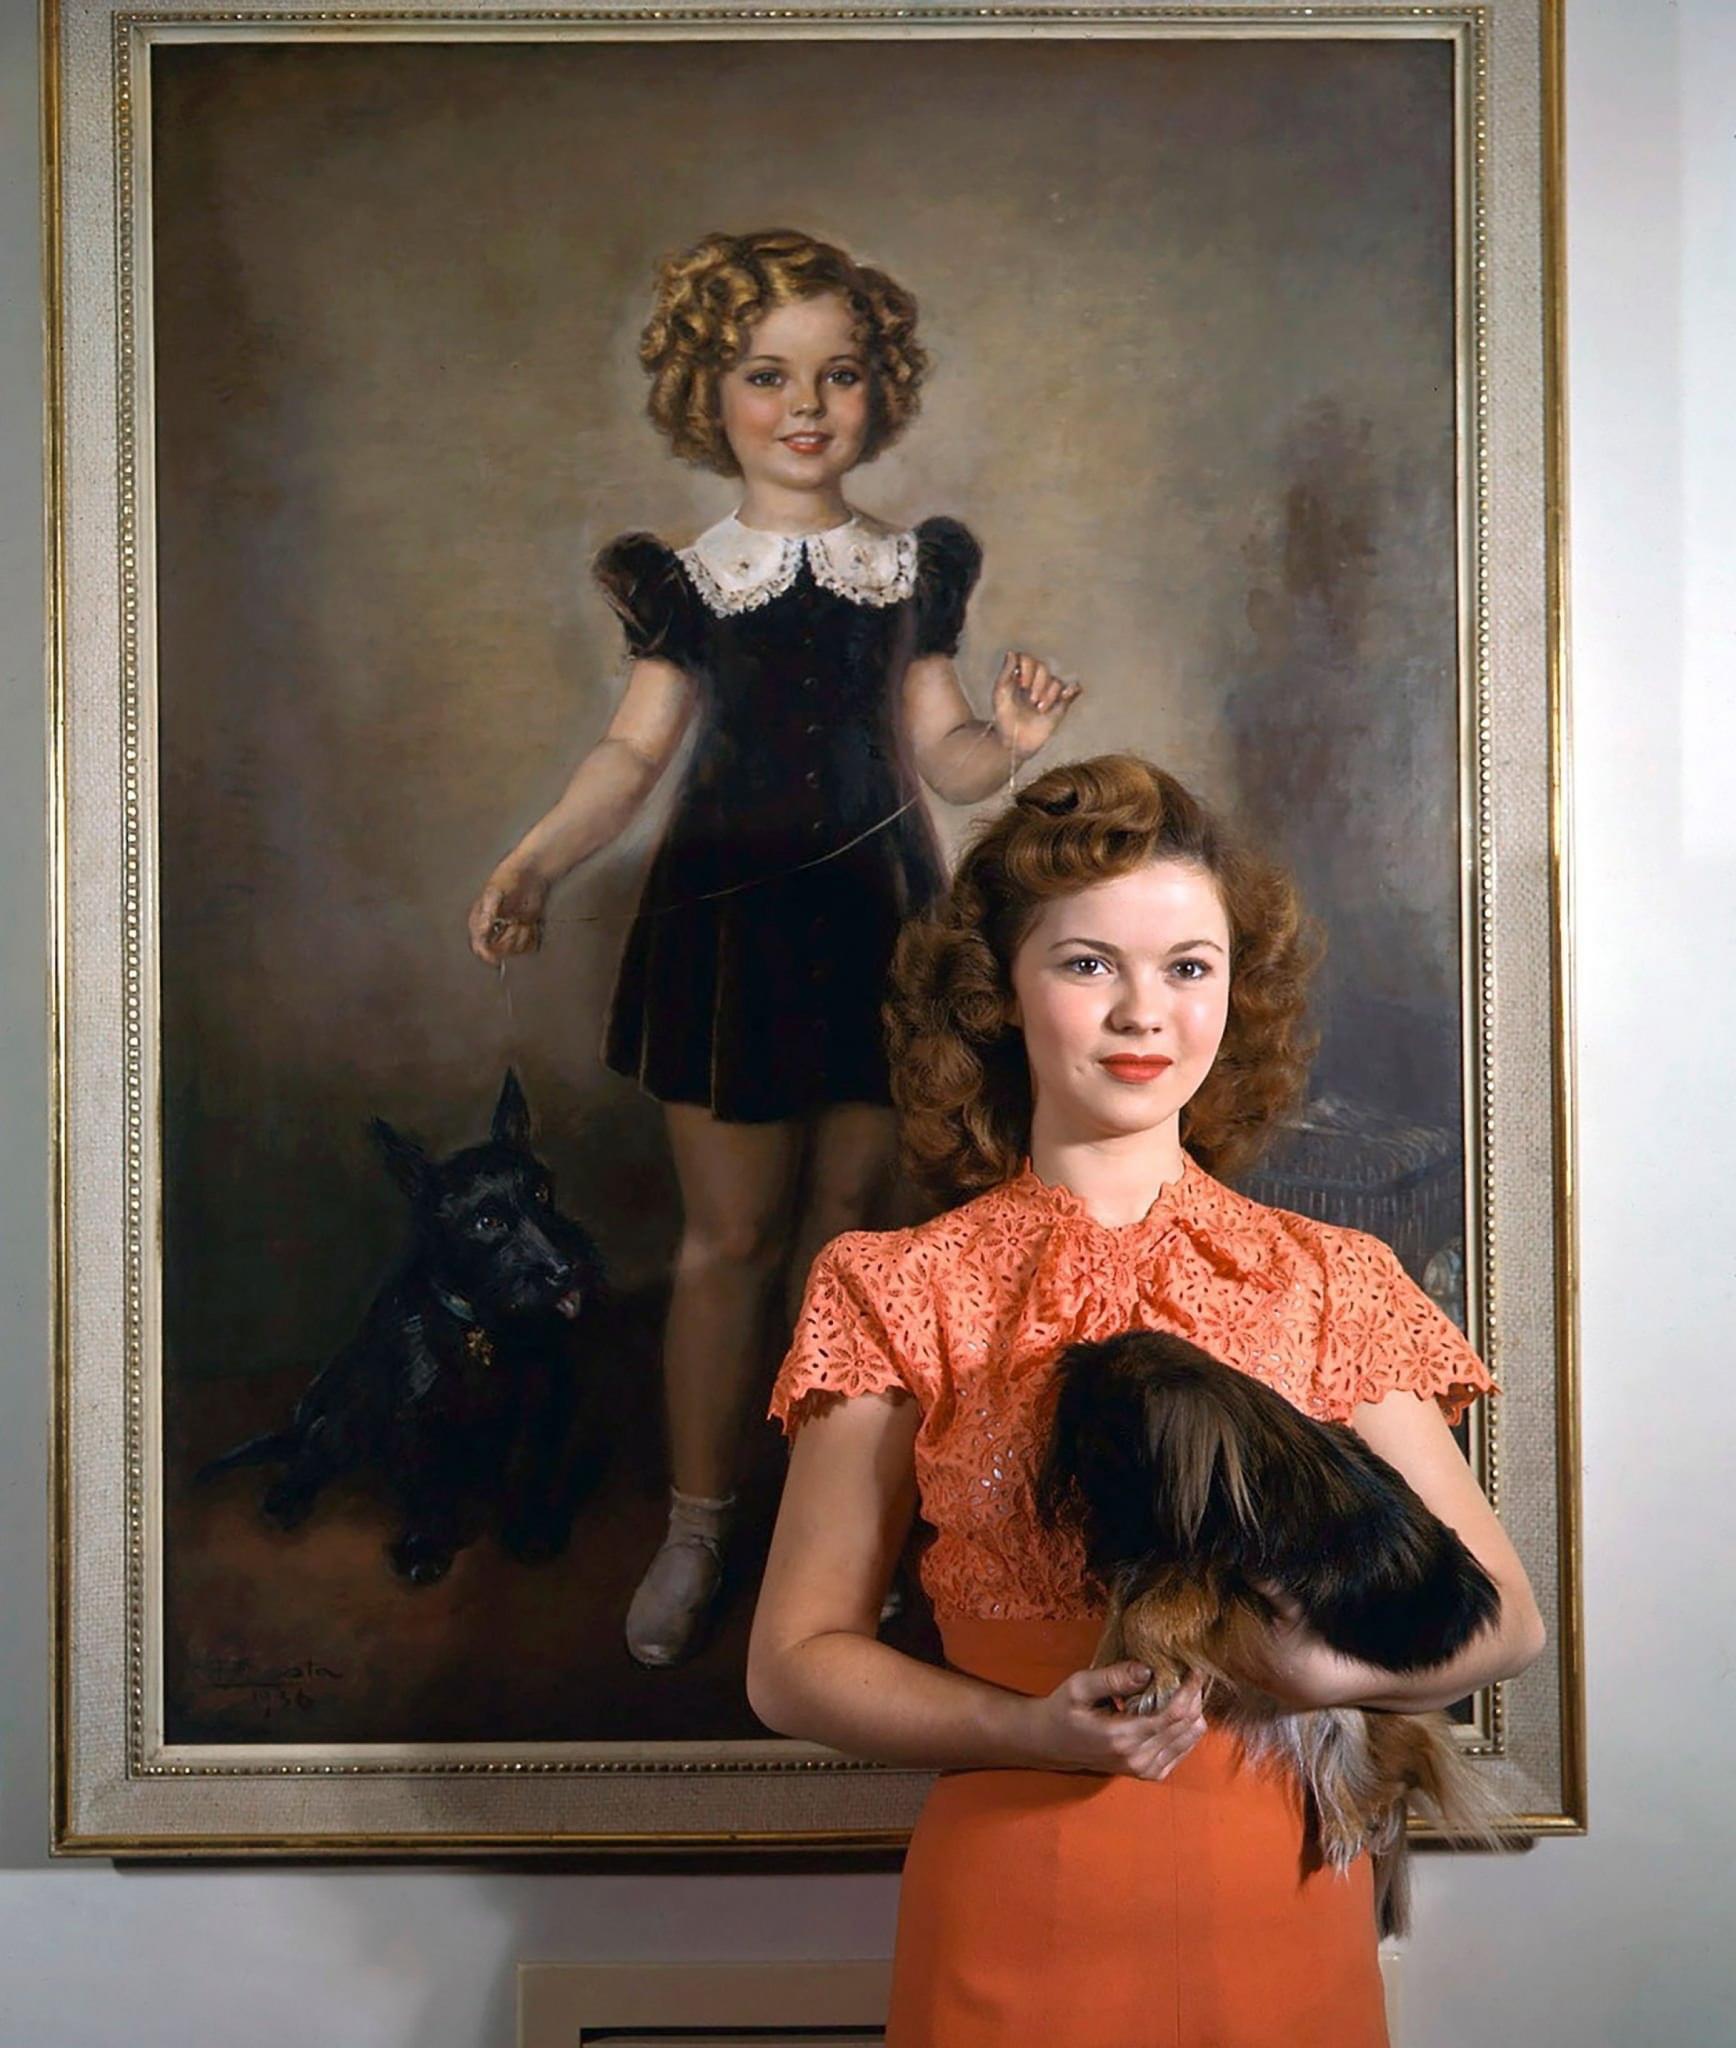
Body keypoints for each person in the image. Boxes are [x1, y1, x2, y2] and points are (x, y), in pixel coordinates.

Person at [747, 753, 1546, 2047]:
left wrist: (1304, 1668)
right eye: (1087, 964)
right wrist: (1033, 1730)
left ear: (1235, 992)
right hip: (1018, 1896)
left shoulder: (1333, 1277)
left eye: (1187, 967)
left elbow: (1507, 1622)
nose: (1143, 1013)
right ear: (997, 993)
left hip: (1282, 1903)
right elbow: (793, 1666)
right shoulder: (894, 1285)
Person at [467, 229, 1081, 1667]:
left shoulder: (911, 569)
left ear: (881, 389)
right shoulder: (688, 585)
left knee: (855, 1236)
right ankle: (698, 1525)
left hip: (878, 923)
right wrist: (535, 859)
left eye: (840, 374)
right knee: (729, 1240)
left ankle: (834, 1525)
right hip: (729, 933)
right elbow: (631, 757)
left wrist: (1010, 742)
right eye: (767, 374)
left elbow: (946, 752)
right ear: (707, 392)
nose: (807, 406)